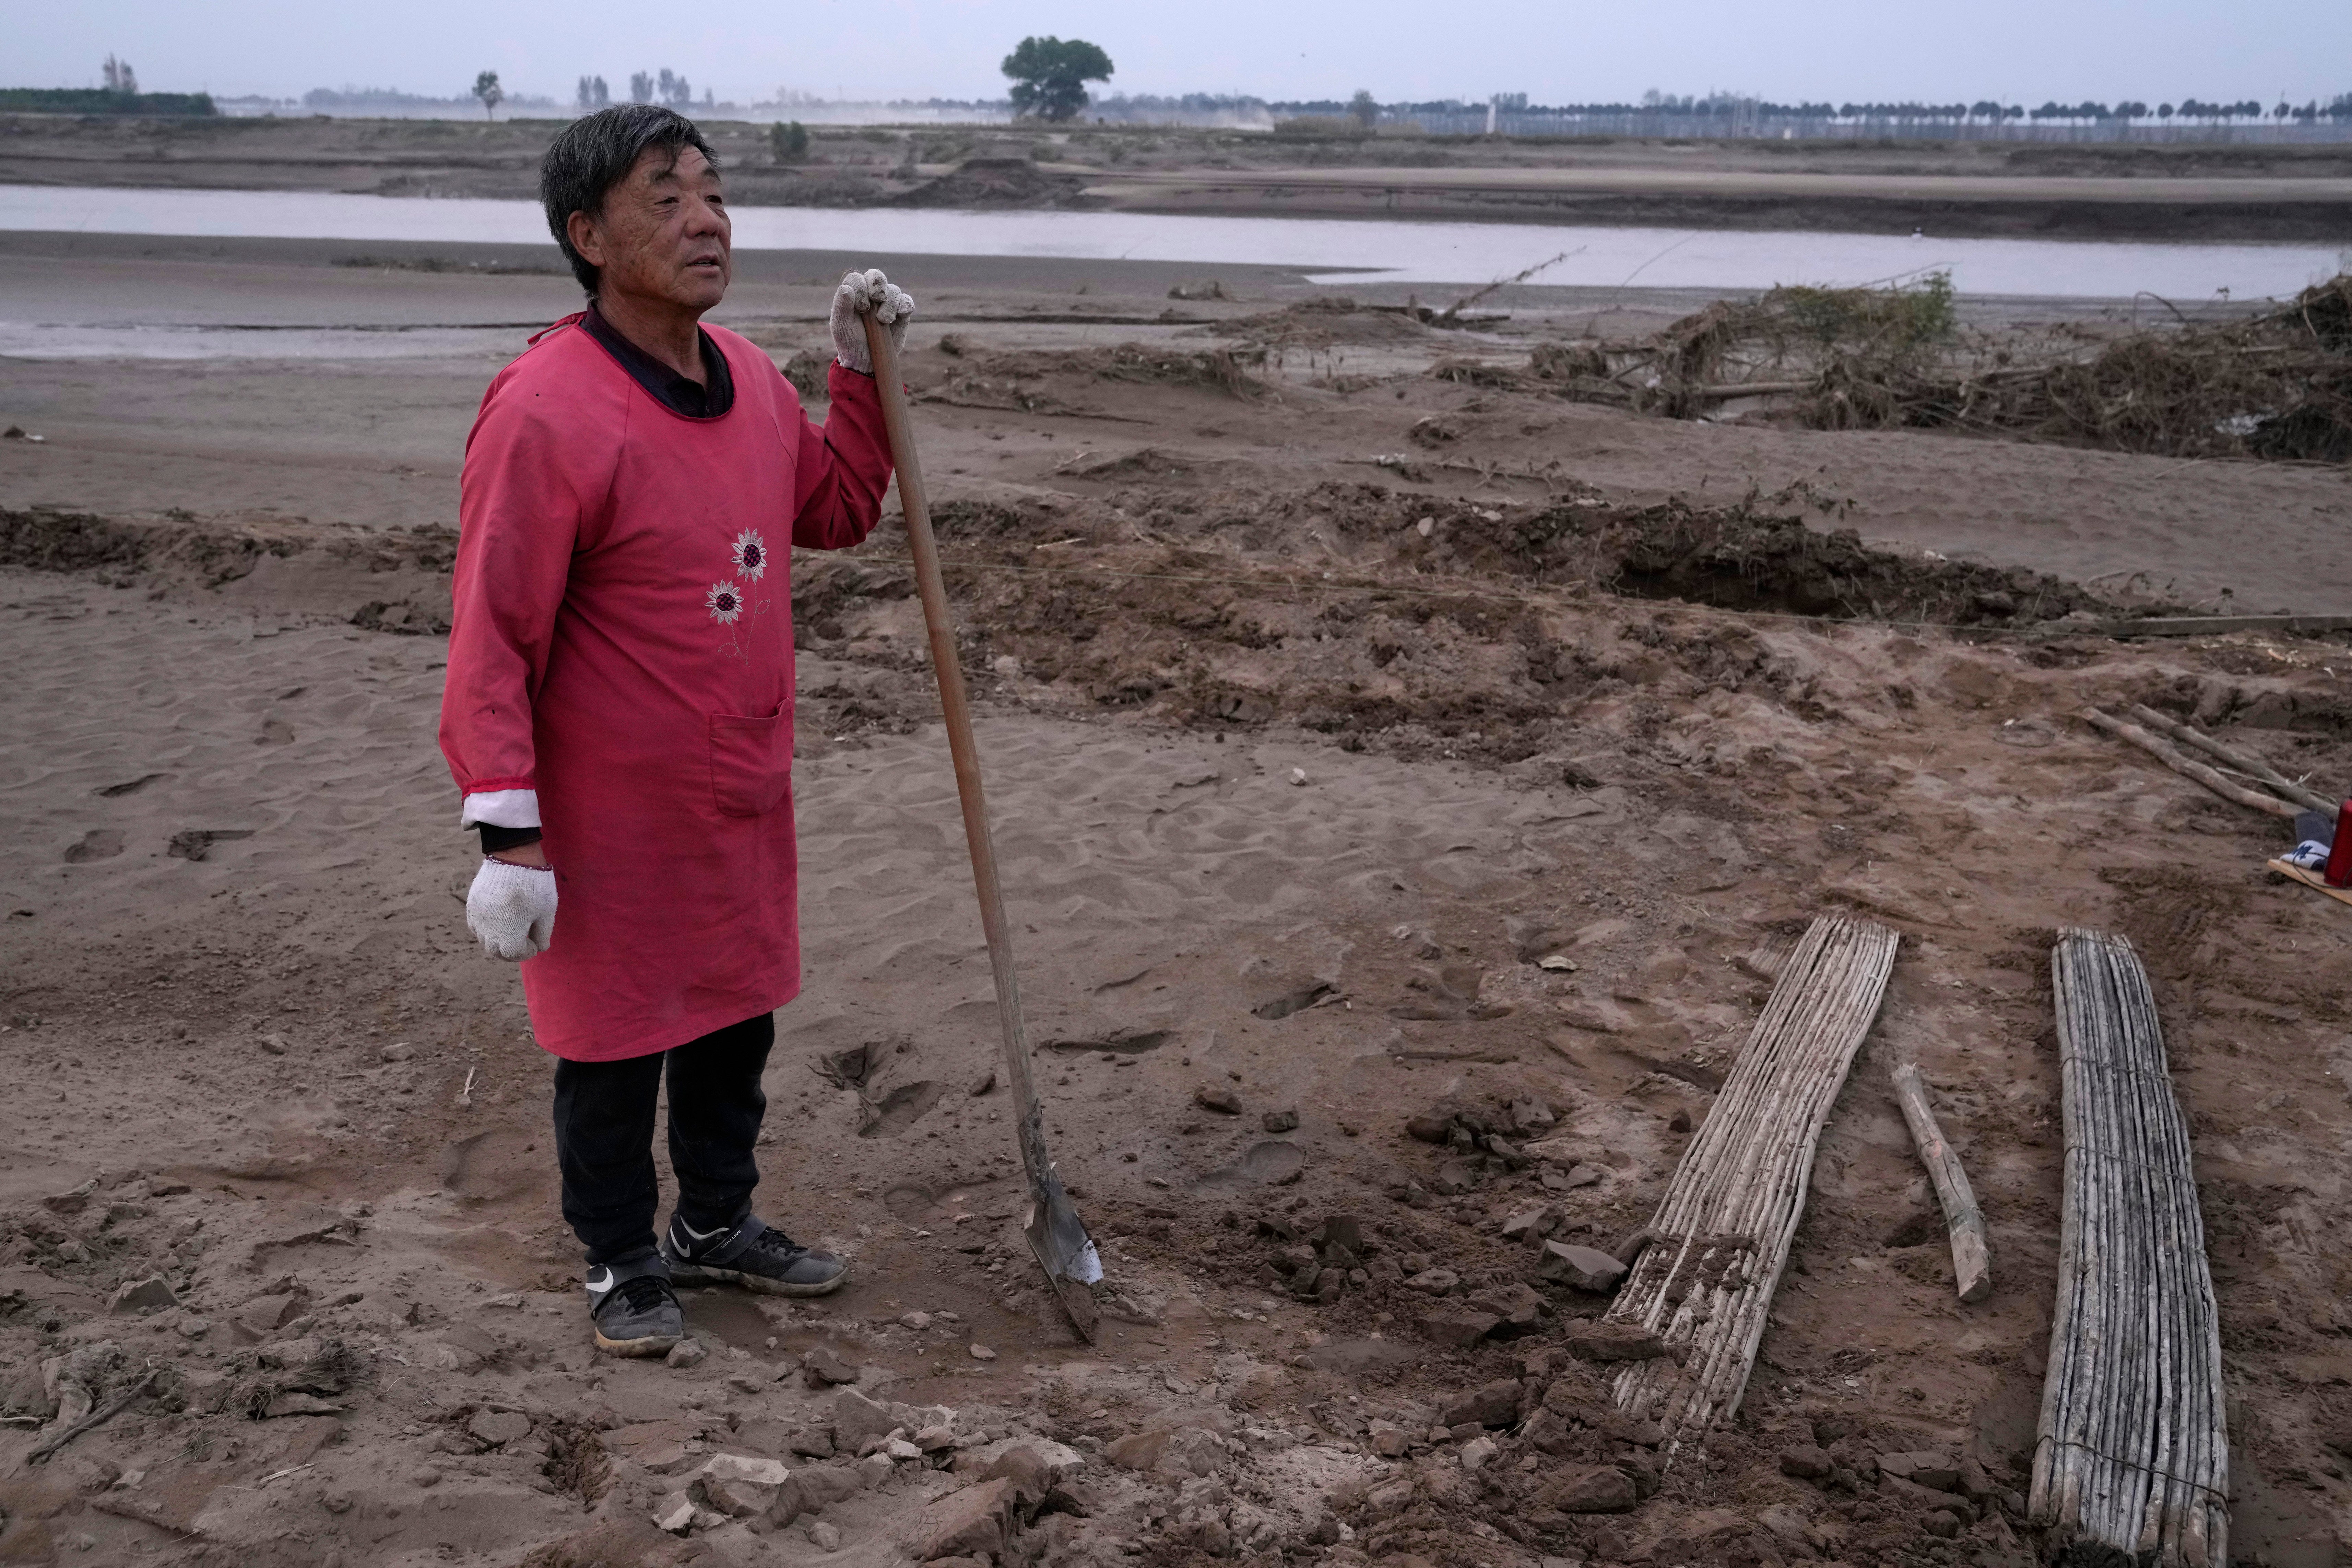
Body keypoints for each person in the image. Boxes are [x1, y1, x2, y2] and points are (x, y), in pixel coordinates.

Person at [437, 104, 914, 1356]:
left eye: (713, 194)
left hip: (738, 779)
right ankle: (617, 1257)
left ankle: (717, 1223)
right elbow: (495, 631)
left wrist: (856, 371)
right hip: (605, 806)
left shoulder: (752, 380)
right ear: (589, 236)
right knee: (612, 1043)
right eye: (667, 197)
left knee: (730, 1016)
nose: (705, 220)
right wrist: (506, 831)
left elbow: (842, 508)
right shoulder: (545, 406)